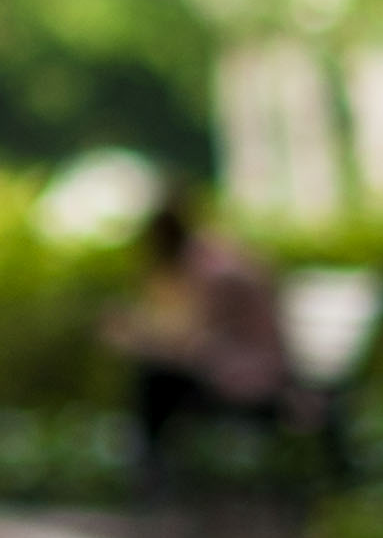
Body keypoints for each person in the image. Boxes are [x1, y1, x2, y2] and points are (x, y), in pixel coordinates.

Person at [108, 189, 296, 489]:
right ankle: (151, 466)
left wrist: (139, 336)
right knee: (157, 377)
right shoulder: (212, 255)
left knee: (155, 379)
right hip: (242, 365)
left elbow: (191, 338)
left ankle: (150, 470)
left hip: (253, 374)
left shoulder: (210, 270)